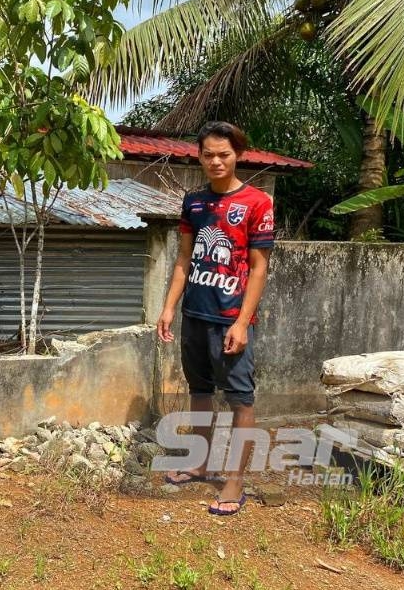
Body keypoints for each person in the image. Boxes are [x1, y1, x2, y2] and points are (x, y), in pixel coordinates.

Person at [156, 121, 274, 516]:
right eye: (208, 155)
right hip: (195, 313)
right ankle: (201, 461)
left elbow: (258, 269)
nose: (216, 161)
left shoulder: (257, 202)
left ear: (237, 154)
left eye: (224, 154)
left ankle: (235, 482)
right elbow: (183, 261)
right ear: (200, 156)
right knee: (201, 391)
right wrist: (169, 307)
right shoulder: (193, 202)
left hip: (230, 318)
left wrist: (242, 323)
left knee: (240, 398)